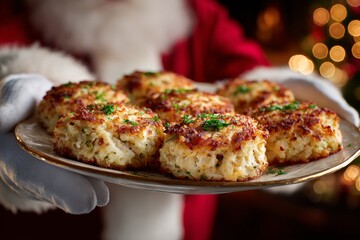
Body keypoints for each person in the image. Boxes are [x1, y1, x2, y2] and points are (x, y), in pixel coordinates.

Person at [0, 0, 358, 239]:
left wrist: (283, 91)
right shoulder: (21, 15)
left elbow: (240, 75)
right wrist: (11, 78)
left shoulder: (197, 13)